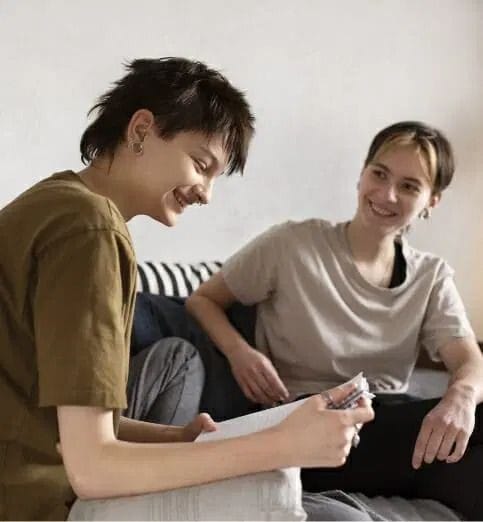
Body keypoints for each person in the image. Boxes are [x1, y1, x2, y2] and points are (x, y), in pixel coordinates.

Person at [0, 57, 374, 521]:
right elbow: (93, 467)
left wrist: (177, 440)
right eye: (201, 165)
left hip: (33, 484)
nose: (206, 193)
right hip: (36, 505)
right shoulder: (91, 230)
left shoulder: (56, 203)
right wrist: (282, 444)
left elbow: (75, 423)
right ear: (141, 130)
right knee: (341, 517)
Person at [187, 121, 483, 519]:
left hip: (386, 431)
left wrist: (461, 398)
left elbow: (469, 360)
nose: (387, 194)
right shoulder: (292, 244)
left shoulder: (430, 277)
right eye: (379, 174)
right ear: (362, 174)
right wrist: (240, 352)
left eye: (409, 186)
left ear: (432, 201)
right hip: (305, 426)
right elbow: (203, 300)